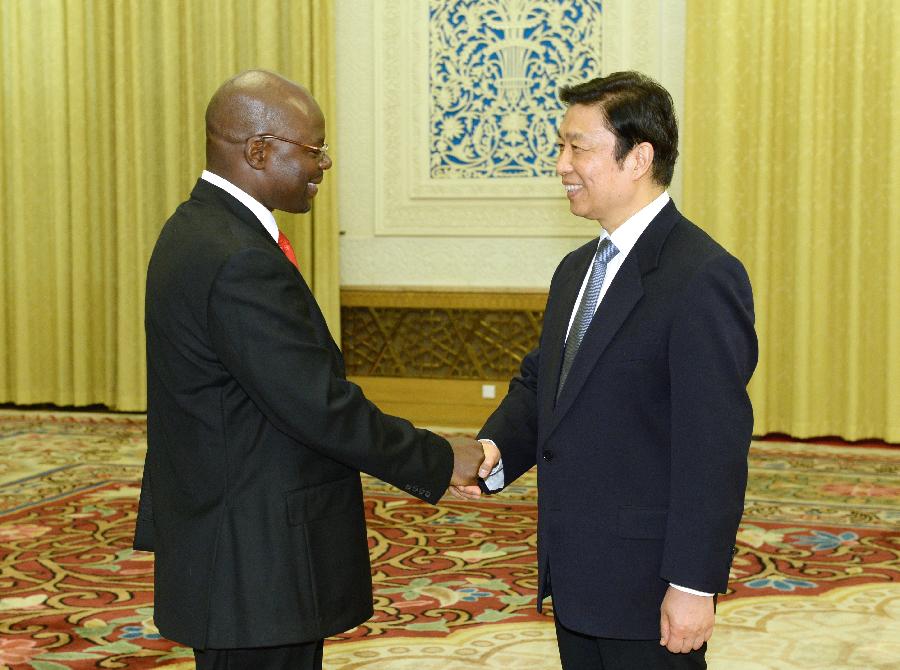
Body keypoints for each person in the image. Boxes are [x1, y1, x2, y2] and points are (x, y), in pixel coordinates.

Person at [133, 69, 485, 670]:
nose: (324, 165)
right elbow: (317, 406)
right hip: (255, 556)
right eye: (314, 149)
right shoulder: (238, 257)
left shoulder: (195, 230)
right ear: (259, 149)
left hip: (233, 538)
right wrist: (438, 456)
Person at [453, 71, 758, 669]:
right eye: (561, 146)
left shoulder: (701, 276)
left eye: (579, 147)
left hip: (648, 582)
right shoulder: (576, 270)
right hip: (577, 572)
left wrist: (694, 584)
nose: (562, 164)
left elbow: (714, 447)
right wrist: (494, 449)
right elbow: (547, 383)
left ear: (638, 157)